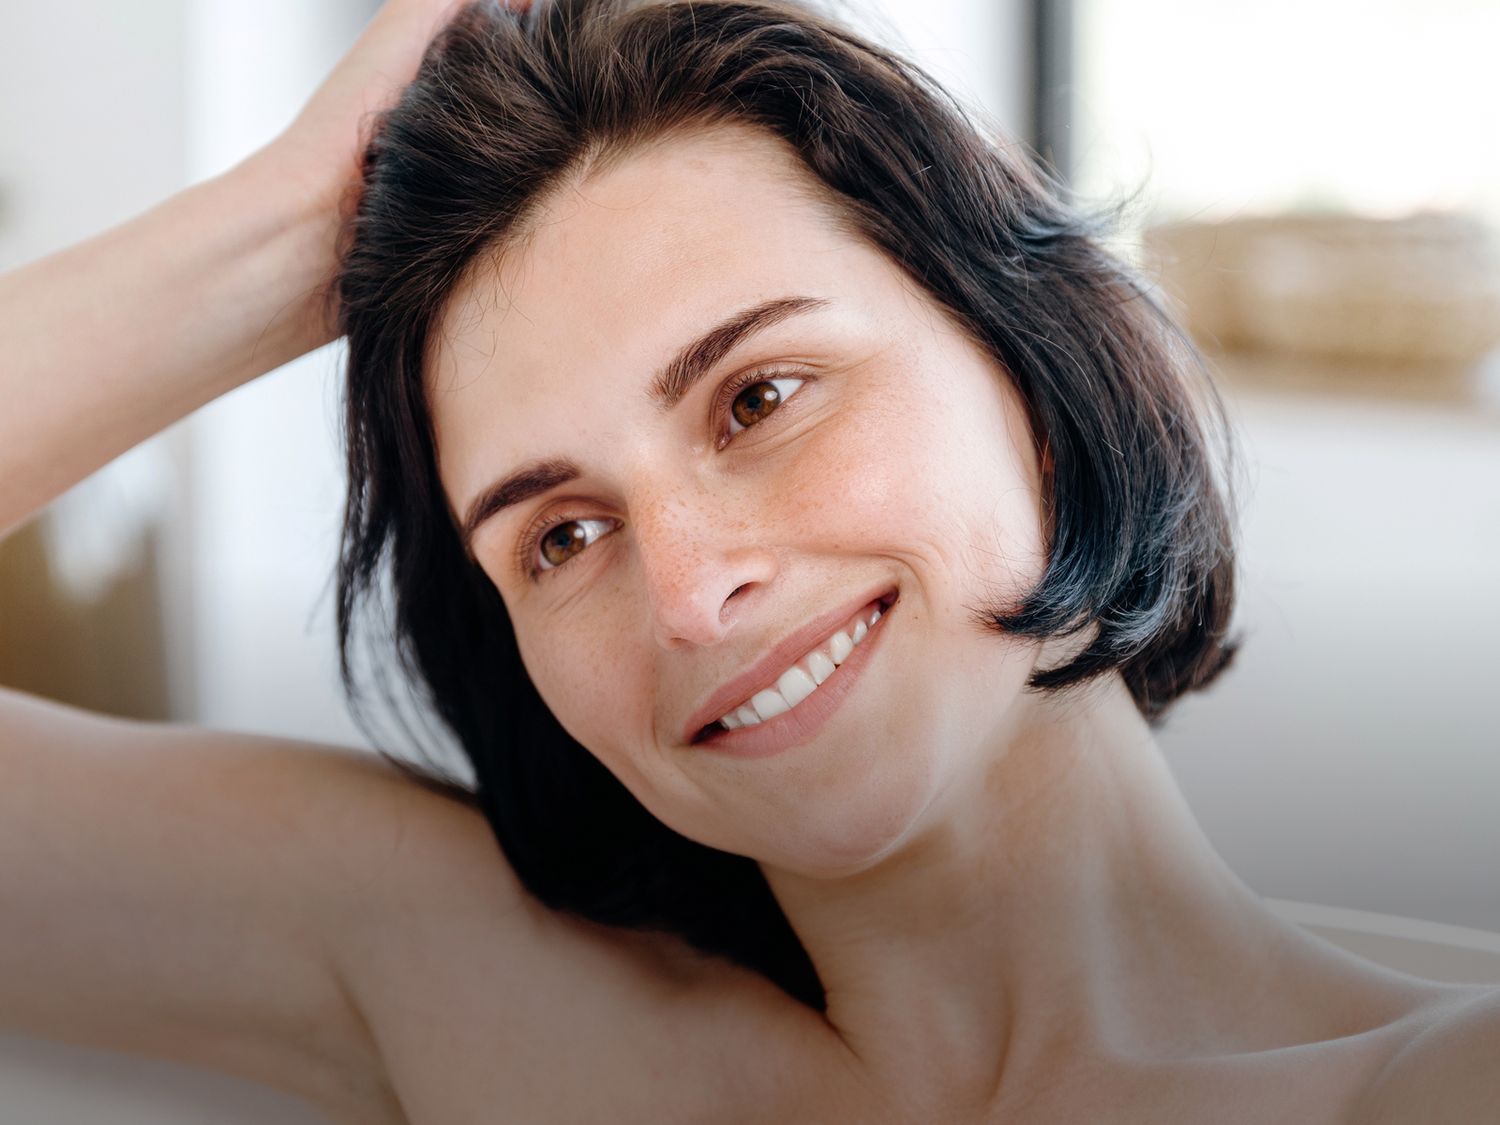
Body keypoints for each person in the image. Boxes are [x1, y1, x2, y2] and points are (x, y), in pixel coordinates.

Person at [1, 0, 1495, 1120]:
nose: (687, 591)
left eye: (761, 398)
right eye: (561, 535)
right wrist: (279, 234)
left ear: (1036, 379)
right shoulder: (493, 998)